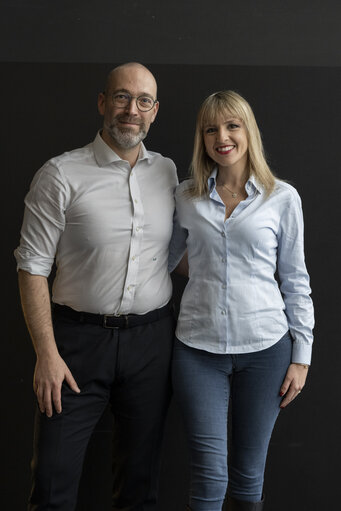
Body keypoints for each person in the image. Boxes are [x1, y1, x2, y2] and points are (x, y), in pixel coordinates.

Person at [14, 62, 178, 511]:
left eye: (144, 101)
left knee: (140, 486)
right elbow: (31, 268)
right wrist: (46, 354)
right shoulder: (61, 175)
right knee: (52, 484)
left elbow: (177, 255)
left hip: (151, 343)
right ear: (103, 102)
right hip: (75, 345)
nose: (132, 109)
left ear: (155, 111)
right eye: (122, 97)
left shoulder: (166, 173)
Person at [169, 90, 314, 511]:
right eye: (211, 128)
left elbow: (296, 279)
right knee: (209, 474)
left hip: (267, 349)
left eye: (232, 125)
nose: (222, 136)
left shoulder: (282, 197)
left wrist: (301, 356)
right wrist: (214, 272)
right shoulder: (186, 197)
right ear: (202, 137)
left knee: (249, 476)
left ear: (248, 131)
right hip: (198, 350)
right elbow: (167, 258)